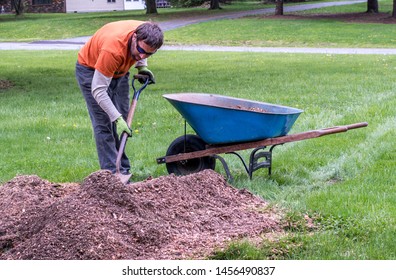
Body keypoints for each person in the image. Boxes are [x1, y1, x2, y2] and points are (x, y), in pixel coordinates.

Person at [75, 20, 164, 177]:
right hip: (91, 71)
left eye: (149, 53)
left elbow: (143, 52)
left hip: (119, 72)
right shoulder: (113, 50)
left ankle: (122, 168)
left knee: (122, 118)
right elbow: (98, 90)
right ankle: (112, 174)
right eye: (140, 50)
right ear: (135, 37)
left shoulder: (147, 32)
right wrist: (115, 118)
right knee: (104, 123)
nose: (142, 55)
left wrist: (142, 66)